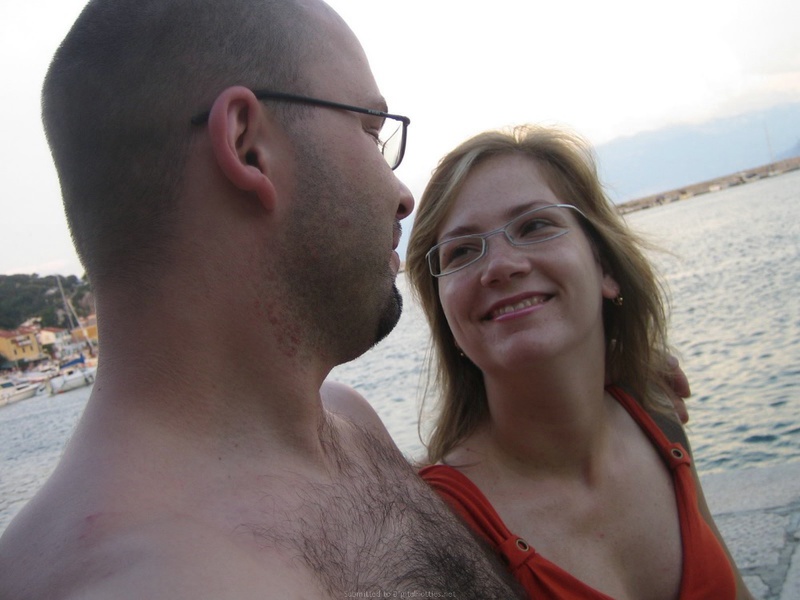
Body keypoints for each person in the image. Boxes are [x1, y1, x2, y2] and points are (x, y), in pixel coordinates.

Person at [0, 1, 527, 598]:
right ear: (248, 145)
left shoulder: (348, 422)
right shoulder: (139, 582)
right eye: (370, 130)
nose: (402, 194)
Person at [406, 125, 754, 599]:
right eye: (462, 251)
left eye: (534, 226)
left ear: (604, 266)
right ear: (446, 315)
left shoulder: (657, 419)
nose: (501, 265)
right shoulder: (437, 526)